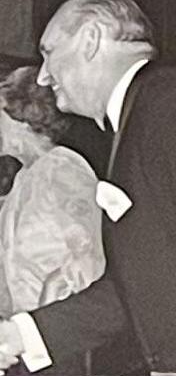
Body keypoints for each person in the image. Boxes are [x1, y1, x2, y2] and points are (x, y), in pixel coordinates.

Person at [0, 0, 176, 376]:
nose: (43, 75)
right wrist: (20, 336)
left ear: (91, 39)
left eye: (49, 53)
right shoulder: (149, 112)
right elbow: (146, 282)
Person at [0, 61, 111, 344]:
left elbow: (89, 260)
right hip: (26, 340)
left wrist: (48, 317)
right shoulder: (24, 177)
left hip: (61, 340)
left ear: (20, 114)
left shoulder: (62, 168)